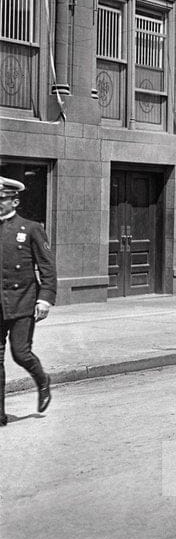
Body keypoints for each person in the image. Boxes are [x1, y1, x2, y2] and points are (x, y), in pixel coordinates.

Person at [0, 176, 56, 425]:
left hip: (23, 302)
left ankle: (43, 380)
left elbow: (47, 267)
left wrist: (44, 299)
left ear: (15, 201)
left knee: (21, 354)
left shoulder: (31, 228)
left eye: (2, 200)